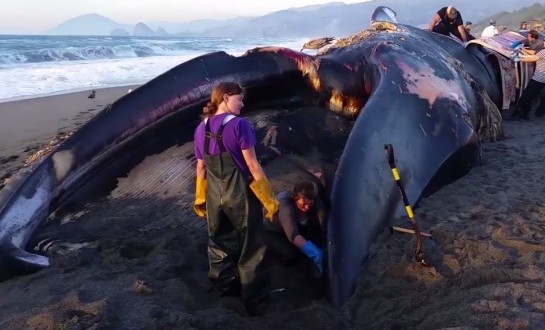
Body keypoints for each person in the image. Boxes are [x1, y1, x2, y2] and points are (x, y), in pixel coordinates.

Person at [192, 81, 279, 315]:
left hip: (214, 194)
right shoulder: (240, 126)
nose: (242, 103)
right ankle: (254, 301)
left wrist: (200, 196)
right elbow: (252, 164)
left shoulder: (201, 128)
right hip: (239, 193)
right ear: (225, 98)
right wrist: (268, 199)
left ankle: (225, 291)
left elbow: (200, 168)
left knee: (219, 242)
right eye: (239, 99)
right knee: (251, 245)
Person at [263, 180, 326, 278]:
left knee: (317, 238)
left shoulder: (314, 202)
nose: (307, 207)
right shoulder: (285, 205)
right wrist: (316, 253)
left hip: (298, 226)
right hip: (276, 231)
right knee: (291, 255)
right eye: (303, 204)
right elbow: (293, 235)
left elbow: (323, 221)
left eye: (310, 203)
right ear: (295, 198)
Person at [509, 45, 545, 119]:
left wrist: (515, 57)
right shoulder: (542, 51)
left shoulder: (543, 52)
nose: (543, 42)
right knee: (535, 96)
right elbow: (534, 53)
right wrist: (523, 50)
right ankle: (532, 113)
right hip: (542, 79)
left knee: (526, 96)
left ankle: (517, 115)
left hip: (539, 78)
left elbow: (531, 58)